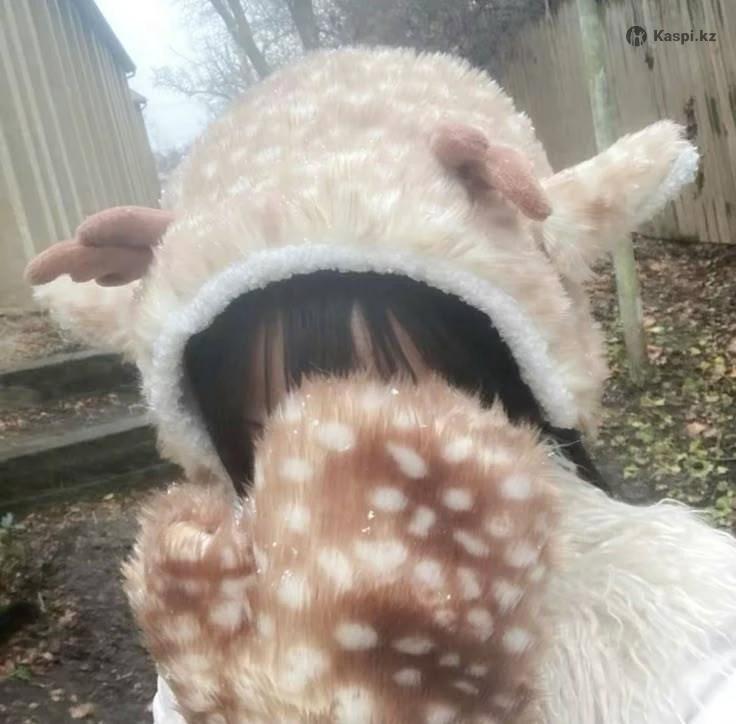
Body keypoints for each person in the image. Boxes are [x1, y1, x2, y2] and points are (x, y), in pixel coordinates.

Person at [25, 47, 736, 723]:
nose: (341, 483)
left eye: (396, 416)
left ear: (512, 388)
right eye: (269, 435)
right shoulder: (227, 618)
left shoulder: (680, 630)